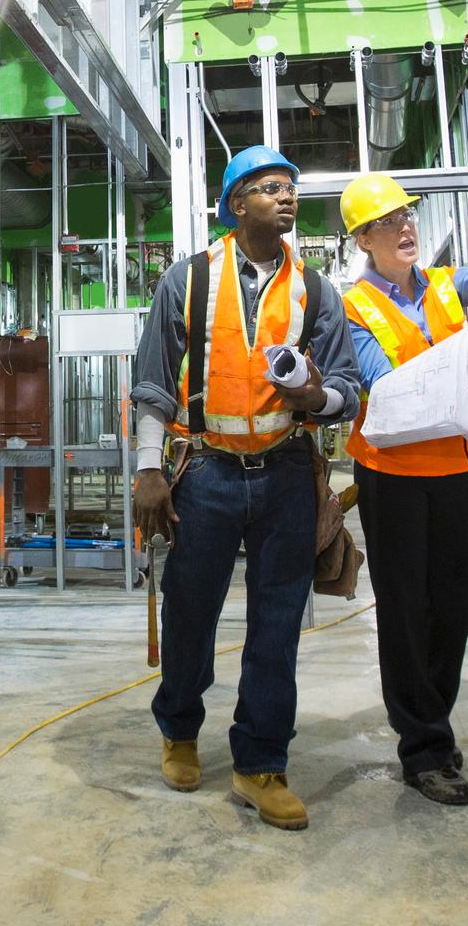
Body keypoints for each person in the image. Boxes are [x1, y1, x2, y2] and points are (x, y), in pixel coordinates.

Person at [131, 145, 360, 831]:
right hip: (206, 473)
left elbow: (347, 388)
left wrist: (317, 397)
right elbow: (151, 380)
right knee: (190, 613)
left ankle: (260, 764)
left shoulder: (316, 290)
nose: (285, 197)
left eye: (290, 187)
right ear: (237, 205)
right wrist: (148, 469)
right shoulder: (187, 281)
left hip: (288, 473)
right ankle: (179, 728)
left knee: (277, 624)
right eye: (267, 188)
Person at [340, 169, 468, 806]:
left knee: (455, 599)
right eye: (391, 221)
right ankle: (423, 745)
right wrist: (461, 361)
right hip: (393, 475)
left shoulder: (445, 287)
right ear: (364, 239)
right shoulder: (353, 307)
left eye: (408, 216)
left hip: (454, 467)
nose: (406, 227)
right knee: (403, 610)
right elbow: (383, 379)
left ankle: (432, 721)